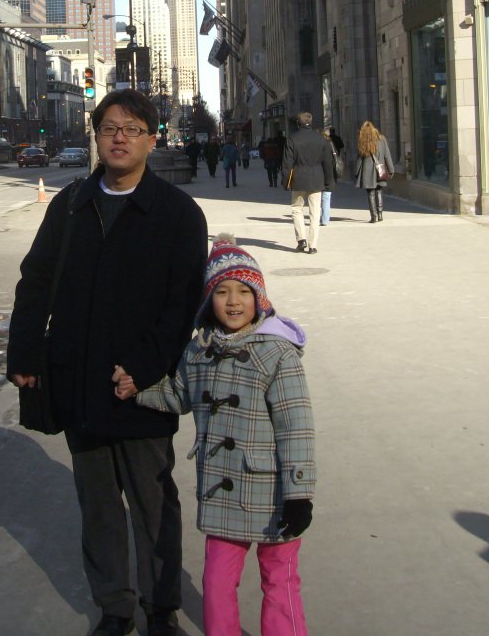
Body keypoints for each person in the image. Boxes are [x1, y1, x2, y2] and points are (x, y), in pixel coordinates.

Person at [7, 90, 209, 636]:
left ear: (151, 138)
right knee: (97, 504)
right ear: (96, 136)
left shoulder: (177, 212)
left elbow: (183, 302)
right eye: (109, 128)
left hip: (142, 389)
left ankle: (160, 608)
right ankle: (115, 608)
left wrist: (144, 367)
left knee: (152, 505)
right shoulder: (70, 203)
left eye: (132, 128)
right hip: (78, 381)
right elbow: (37, 280)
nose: (119, 137)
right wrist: (24, 350)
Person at [114, 235, 315, 636]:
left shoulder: (278, 353)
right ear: (209, 300)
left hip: (274, 493)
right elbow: (178, 395)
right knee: (218, 583)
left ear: (260, 297)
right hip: (223, 494)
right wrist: (138, 393)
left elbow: (297, 427)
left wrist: (299, 494)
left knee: (280, 579)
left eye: (244, 290)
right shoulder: (198, 351)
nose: (234, 301)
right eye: (222, 292)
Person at [282, 112, 334, 255]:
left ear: (298, 123)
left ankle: (301, 239)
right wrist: (329, 182)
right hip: (317, 178)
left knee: (297, 209)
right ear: (311, 123)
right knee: (315, 211)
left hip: (298, 178)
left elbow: (287, 163)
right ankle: (313, 245)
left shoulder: (292, 139)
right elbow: (328, 163)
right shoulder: (321, 140)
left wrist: (285, 181)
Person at [354, 120, 394, 222]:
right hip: (379, 169)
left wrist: (356, 171)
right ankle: (380, 214)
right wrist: (391, 169)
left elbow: (359, 158)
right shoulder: (382, 139)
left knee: (370, 193)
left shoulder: (363, 141)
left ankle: (373, 216)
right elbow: (387, 155)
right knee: (379, 191)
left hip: (367, 172)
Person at [319, 128, 340, 226]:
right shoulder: (331, 145)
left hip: (319, 174)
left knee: (318, 197)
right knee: (326, 197)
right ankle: (325, 219)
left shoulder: (317, 146)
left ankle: (320, 217)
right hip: (330, 174)